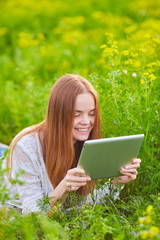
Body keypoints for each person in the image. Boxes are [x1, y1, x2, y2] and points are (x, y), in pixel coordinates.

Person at [7, 74, 141, 213]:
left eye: (91, 113)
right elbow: (32, 215)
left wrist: (116, 183)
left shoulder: (85, 143)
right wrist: (62, 189)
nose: (86, 122)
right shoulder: (26, 148)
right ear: (58, 115)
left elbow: (81, 207)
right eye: (76, 114)